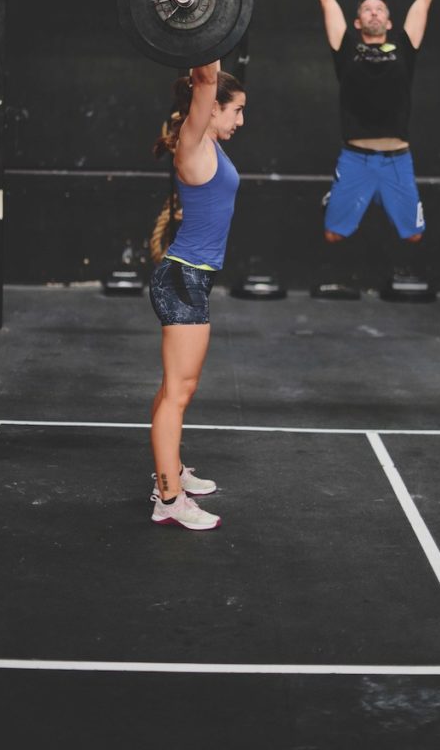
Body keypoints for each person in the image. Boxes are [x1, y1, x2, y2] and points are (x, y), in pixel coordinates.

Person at [148, 62, 246, 530]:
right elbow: (206, 80)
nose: (240, 120)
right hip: (184, 280)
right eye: (237, 111)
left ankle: (171, 471)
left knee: (174, 387)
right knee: (179, 393)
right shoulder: (192, 140)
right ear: (210, 110)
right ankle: (169, 496)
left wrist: (212, 22)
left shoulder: (206, 143)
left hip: (190, 278)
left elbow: (209, 73)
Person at [310, 0, 440, 268]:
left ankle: (377, 194)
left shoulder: (405, 47)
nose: (374, 13)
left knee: (414, 235)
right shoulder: (346, 47)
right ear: (358, 21)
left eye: (379, 10)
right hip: (356, 159)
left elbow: (422, 1)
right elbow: (327, 0)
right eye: (367, 10)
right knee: (332, 235)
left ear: (389, 21)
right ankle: (350, 194)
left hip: (397, 160)